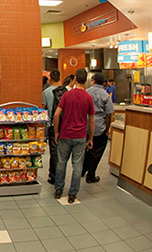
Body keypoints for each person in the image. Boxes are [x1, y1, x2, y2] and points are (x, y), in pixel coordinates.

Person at [53, 69, 95, 203]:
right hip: (80, 136)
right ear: (86, 80)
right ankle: (72, 194)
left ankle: (59, 190)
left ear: (75, 79)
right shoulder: (88, 97)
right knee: (77, 166)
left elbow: (56, 114)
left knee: (61, 163)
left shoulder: (67, 95)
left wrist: (56, 132)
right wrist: (90, 138)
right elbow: (92, 120)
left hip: (65, 134)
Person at [82, 73, 114, 183]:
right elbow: (109, 114)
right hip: (99, 126)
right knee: (97, 151)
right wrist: (107, 129)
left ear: (93, 81)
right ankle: (91, 175)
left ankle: (82, 170)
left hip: (86, 125)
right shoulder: (105, 95)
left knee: (86, 149)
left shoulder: (87, 92)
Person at [42, 69, 65, 184]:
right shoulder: (67, 91)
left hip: (52, 125)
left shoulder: (46, 92)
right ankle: (62, 175)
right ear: (60, 78)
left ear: (50, 78)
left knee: (54, 152)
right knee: (64, 152)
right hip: (65, 126)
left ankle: (53, 175)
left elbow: (44, 109)